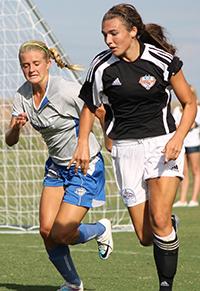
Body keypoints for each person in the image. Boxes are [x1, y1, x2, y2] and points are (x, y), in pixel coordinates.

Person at [68, 4, 197, 291]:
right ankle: (167, 225)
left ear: (133, 32)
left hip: (161, 145)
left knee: (160, 219)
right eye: (104, 35)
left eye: (114, 33)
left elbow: (190, 102)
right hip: (125, 151)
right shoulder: (101, 66)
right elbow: (90, 106)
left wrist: (178, 139)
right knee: (145, 235)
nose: (108, 40)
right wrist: (82, 144)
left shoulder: (162, 60)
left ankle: (165, 285)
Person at [5, 40, 113, 291]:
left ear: (48, 63)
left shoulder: (65, 89)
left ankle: (100, 229)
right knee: (46, 231)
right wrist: (15, 127)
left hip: (84, 166)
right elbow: (10, 141)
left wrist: (107, 141)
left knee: (62, 234)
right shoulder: (22, 95)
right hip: (56, 167)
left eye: (36, 63)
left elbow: (98, 111)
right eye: (25, 65)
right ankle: (73, 284)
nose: (31, 69)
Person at [173, 87, 200, 207]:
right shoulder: (177, 110)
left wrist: (183, 126)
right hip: (181, 143)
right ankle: (182, 199)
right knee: (183, 171)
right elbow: (175, 125)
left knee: (195, 170)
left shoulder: (197, 109)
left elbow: (193, 124)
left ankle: (194, 199)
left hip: (194, 143)